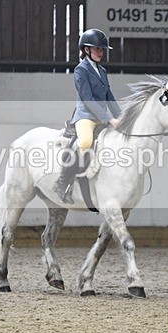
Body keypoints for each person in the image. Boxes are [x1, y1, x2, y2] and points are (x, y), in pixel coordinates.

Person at [54, 28, 121, 203]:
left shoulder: (103, 71)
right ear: (86, 50)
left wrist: (121, 118)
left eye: (102, 49)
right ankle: (62, 183)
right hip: (85, 116)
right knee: (84, 142)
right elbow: (88, 99)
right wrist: (110, 119)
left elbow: (109, 96)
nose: (101, 52)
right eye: (97, 49)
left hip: (101, 117)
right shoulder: (80, 70)